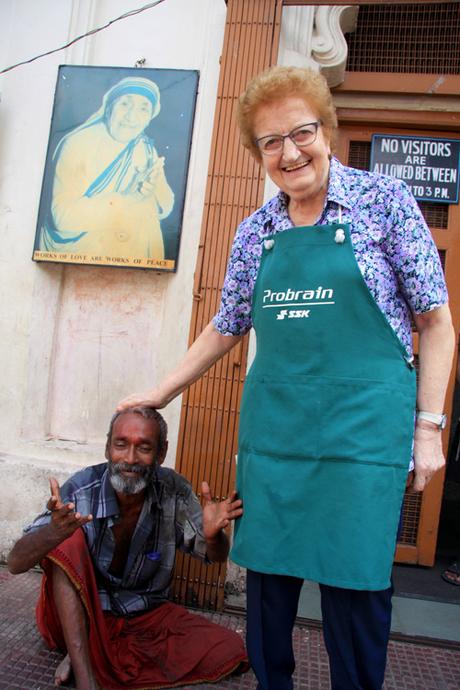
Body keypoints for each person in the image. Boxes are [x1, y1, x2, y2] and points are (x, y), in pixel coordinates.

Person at [117, 66, 455, 690]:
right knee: (268, 587)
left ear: (327, 130)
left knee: (354, 588)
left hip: (362, 436)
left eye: (301, 132)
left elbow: (436, 322)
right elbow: (227, 324)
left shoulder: (385, 204)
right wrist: (160, 392)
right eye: (270, 141)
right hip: (279, 436)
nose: (289, 151)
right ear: (258, 154)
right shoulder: (256, 232)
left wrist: (429, 428)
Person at [7, 407, 248, 690]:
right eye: (121, 445)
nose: (130, 459)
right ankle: (87, 675)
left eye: (144, 448)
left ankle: (87, 654)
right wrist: (52, 532)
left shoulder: (174, 489)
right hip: (79, 616)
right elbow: (15, 563)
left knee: (229, 648)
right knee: (66, 541)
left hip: (139, 618)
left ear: (160, 453)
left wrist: (213, 536)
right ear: (109, 448)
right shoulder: (82, 489)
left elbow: (214, 556)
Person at [39, 76, 174, 260]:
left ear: (149, 118)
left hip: (135, 261)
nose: (131, 117)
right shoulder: (78, 143)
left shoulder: (144, 147)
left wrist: (153, 188)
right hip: (87, 256)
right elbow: (63, 218)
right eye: (125, 104)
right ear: (109, 108)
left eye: (143, 108)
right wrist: (128, 199)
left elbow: (166, 206)